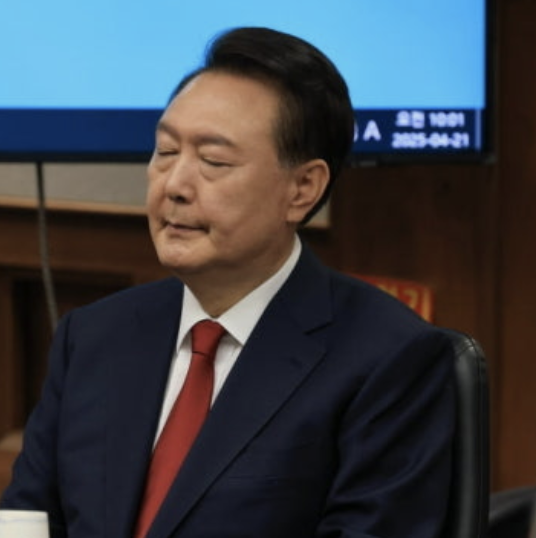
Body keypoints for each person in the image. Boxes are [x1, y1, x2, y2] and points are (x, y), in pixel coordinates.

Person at [0, 27, 455, 538]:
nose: (174, 185)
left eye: (213, 161)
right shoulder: (93, 336)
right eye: (165, 151)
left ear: (303, 189)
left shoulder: (390, 360)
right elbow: (28, 519)